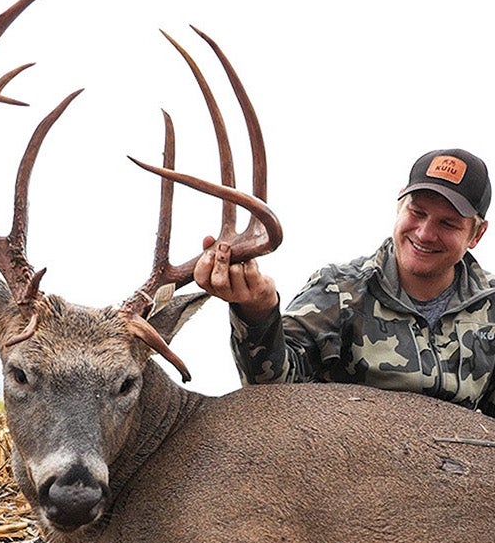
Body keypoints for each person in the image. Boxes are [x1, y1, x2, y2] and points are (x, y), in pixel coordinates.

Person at [194, 147, 495, 415]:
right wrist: (258, 312)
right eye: (417, 212)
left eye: (448, 223)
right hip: (348, 471)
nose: (425, 233)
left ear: (476, 235)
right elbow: (272, 393)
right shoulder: (339, 291)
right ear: (399, 205)